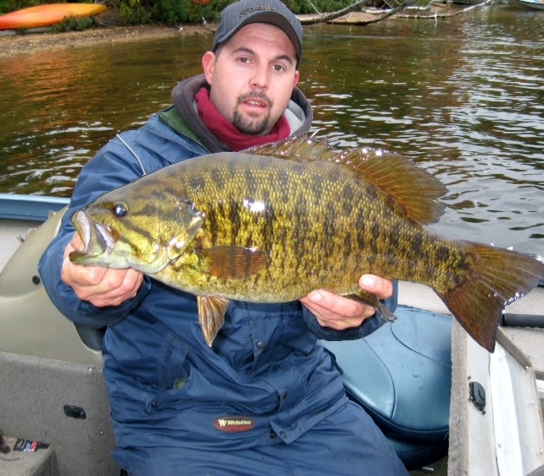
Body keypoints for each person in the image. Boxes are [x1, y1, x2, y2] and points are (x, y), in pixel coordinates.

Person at [39, 0, 408, 474]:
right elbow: (63, 255)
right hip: (179, 420)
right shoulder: (132, 160)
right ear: (210, 67)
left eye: (279, 66)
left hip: (308, 406)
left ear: (293, 82)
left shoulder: (320, 172)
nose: (260, 80)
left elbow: (380, 263)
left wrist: (359, 311)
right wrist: (74, 276)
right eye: (244, 58)